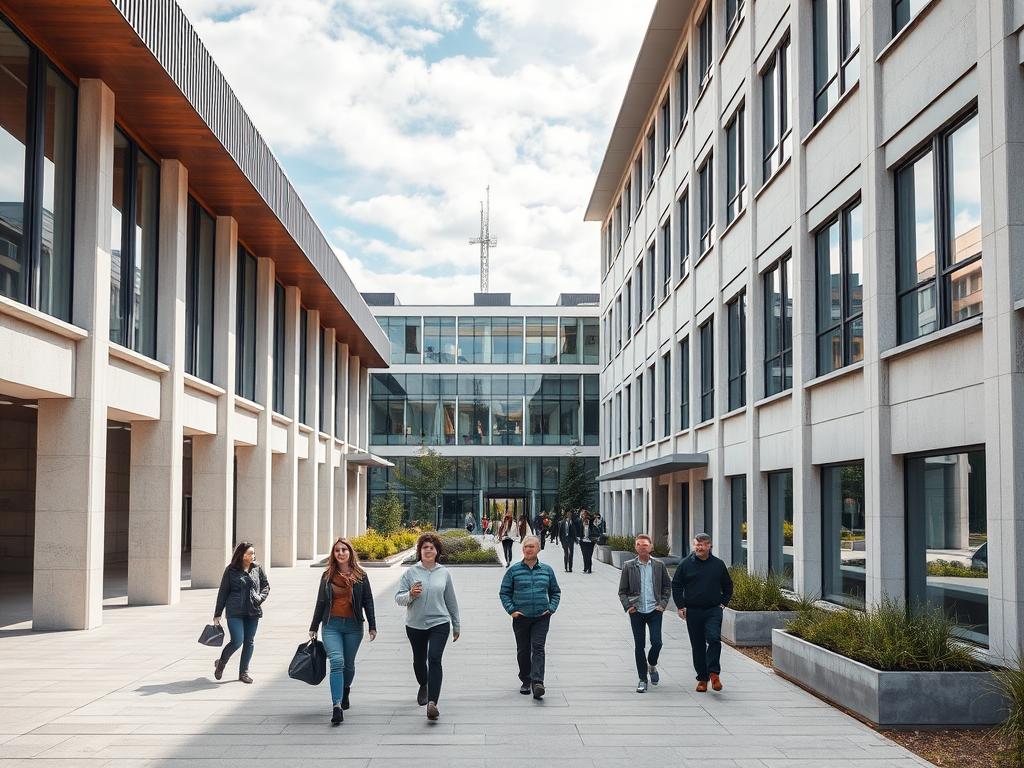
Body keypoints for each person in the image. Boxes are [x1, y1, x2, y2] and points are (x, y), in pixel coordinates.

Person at [309, 537, 376, 724]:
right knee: (337, 662)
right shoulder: (327, 575)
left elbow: (368, 601)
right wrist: (314, 626)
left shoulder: (361, 575)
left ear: (350, 553)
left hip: (354, 626)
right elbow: (321, 602)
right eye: (337, 550)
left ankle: (346, 689)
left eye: (344, 550)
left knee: (349, 664)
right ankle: (336, 705)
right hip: (331, 625)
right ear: (333, 554)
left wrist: (372, 625)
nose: (340, 553)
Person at [396, 533, 461, 721]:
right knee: (419, 660)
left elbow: (451, 600)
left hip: (439, 623)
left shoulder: (444, 573)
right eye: (425, 547)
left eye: (432, 547)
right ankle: (423, 684)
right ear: (420, 551)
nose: (428, 550)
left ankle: (433, 703)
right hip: (415, 624)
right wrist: (410, 594)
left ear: (437, 551)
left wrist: (456, 624)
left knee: (434, 659)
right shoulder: (410, 573)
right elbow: (398, 598)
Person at [498, 535, 560, 699]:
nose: (528, 549)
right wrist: (511, 610)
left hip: (541, 617)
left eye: (532, 546)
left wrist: (551, 608)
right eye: (526, 546)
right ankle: (526, 679)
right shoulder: (514, 570)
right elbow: (504, 592)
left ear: (538, 549)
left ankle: (538, 682)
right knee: (523, 650)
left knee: (538, 648)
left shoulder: (547, 570)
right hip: (521, 617)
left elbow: (555, 592)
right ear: (522, 549)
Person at [671, 533, 734, 692]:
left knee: (713, 638)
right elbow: (676, 585)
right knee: (697, 645)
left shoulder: (718, 565)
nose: (699, 548)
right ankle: (702, 678)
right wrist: (680, 606)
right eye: (696, 545)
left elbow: (728, 586)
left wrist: (722, 604)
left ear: (709, 546)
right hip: (693, 611)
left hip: (713, 609)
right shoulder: (685, 564)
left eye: (702, 545)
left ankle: (714, 674)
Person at [618, 534, 671, 693]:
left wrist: (662, 605)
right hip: (637, 611)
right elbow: (622, 591)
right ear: (635, 547)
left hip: (655, 610)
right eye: (639, 544)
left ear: (651, 547)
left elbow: (667, 588)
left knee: (657, 642)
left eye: (645, 545)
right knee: (639, 645)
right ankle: (642, 679)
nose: (642, 547)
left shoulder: (659, 565)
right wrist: (629, 606)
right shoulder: (628, 566)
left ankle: (652, 665)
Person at [213, 541, 269, 685]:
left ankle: (243, 672)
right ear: (242, 555)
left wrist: (260, 598)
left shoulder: (257, 568)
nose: (253, 555)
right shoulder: (231, 570)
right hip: (234, 610)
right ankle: (221, 663)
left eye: (253, 552)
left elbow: (266, 586)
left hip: (253, 610)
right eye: (250, 553)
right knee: (237, 640)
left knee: (249, 641)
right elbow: (223, 592)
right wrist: (218, 613)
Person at [576, 509, 597, 574]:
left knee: (589, 556)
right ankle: (585, 568)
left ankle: (589, 569)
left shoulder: (591, 522)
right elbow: (578, 531)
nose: (583, 515)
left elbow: (593, 517)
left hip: (590, 542)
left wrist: (588, 516)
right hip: (583, 542)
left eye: (584, 514)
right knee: (585, 555)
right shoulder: (580, 522)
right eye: (582, 514)